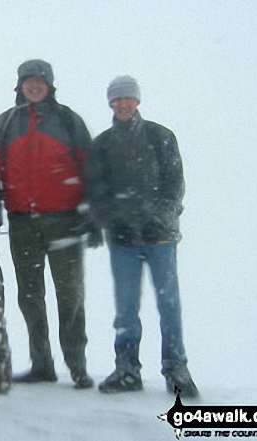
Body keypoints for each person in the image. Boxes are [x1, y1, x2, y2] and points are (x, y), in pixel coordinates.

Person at [0, 59, 94, 389]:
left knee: (69, 294)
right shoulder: (7, 122)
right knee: (30, 295)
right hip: (23, 221)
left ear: (50, 85)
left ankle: (77, 365)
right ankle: (42, 364)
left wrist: (92, 211)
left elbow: (90, 164)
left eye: (39, 80)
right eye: (28, 81)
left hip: (65, 221)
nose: (34, 85)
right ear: (20, 85)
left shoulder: (68, 120)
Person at [86, 75, 199, 398]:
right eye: (116, 99)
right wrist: (112, 221)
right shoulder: (103, 144)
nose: (122, 104)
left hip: (160, 238)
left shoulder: (160, 136)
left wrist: (158, 217)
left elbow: (174, 184)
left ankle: (176, 369)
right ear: (110, 103)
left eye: (127, 99)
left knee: (169, 305)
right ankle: (127, 370)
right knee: (125, 309)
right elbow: (97, 191)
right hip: (122, 241)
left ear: (137, 101)